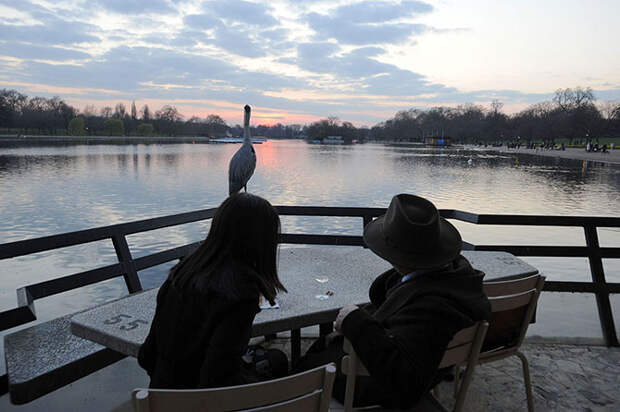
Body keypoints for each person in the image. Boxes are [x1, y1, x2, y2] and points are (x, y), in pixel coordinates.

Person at [295, 194, 491, 409]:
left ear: (394, 255)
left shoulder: (432, 307)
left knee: (305, 368)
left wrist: (355, 321)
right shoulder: (458, 278)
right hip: (433, 368)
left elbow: (404, 377)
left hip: (369, 387)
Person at [138, 193, 288, 389]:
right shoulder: (240, 293)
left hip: (159, 393)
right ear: (260, 242)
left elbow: (146, 356)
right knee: (278, 365)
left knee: (274, 359)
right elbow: (216, 380)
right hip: (197, 401)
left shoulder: (183, 272)